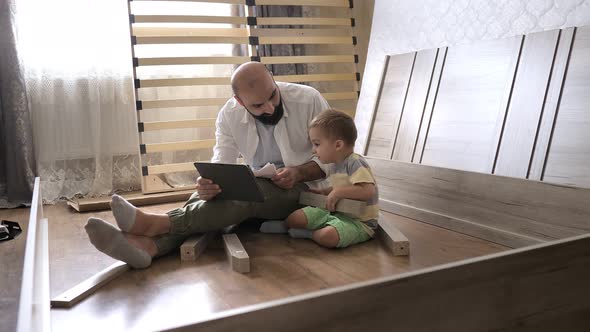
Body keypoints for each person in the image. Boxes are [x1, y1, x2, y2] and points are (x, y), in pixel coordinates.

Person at [85, 62, 330, 268]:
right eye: (257, 105)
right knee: (206, 198)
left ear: (273, 79)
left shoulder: (308, 100)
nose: (269, 107)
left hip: (307, 192)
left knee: (249, 194)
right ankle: (150, 247)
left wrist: (298, 172)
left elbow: (334, 160)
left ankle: (157, 223)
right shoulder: (229, 114)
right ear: (240, 101)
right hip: (261, 188)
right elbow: (222, 163)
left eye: (273, 95)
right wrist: (210, 185)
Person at [270, 109, 380, 248]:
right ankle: (286, 227)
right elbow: (341, 186)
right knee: (295, 218)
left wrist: (338, 193)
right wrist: (325, 192)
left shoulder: (355, 163)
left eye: (317, 144)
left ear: (338, 145)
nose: (313, 150)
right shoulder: (334, 164)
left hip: (359, 222)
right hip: (337, 210)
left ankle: (310, 234)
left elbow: (367, 191)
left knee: (327, 237)